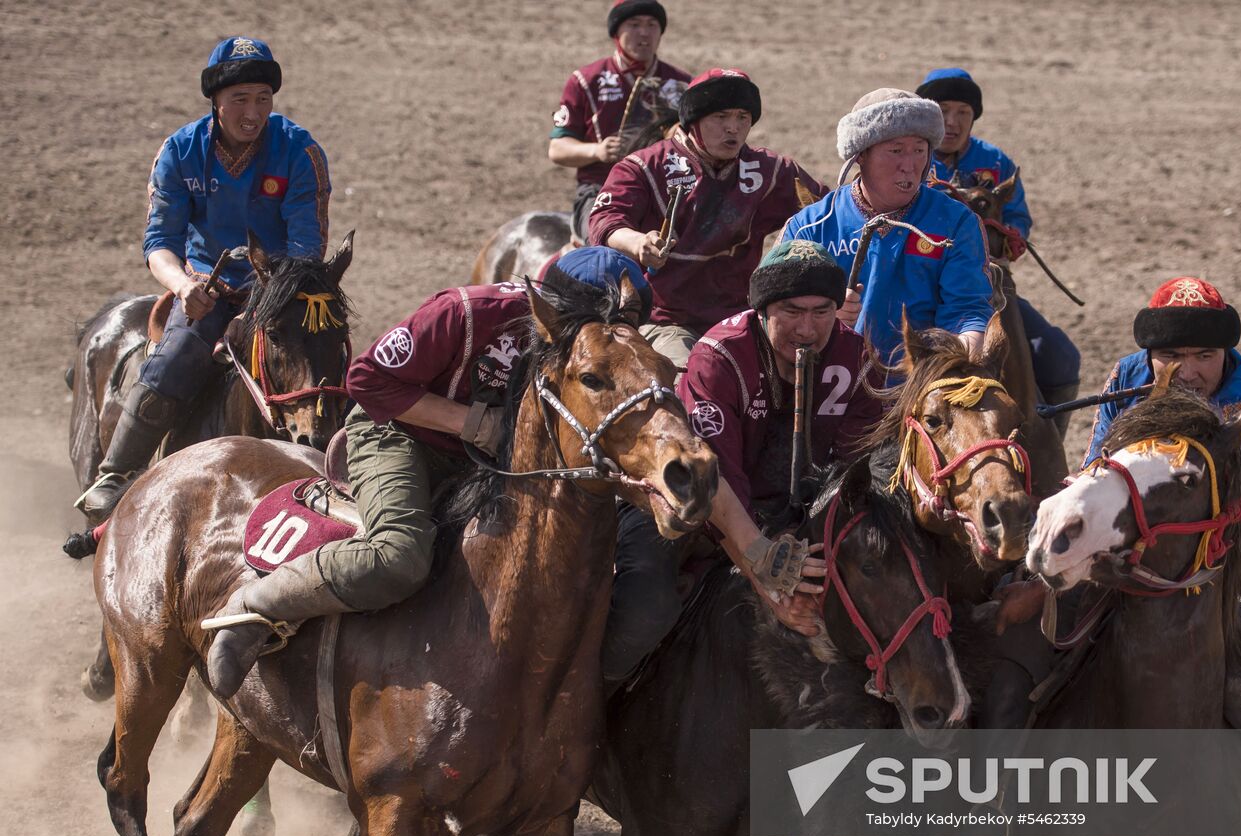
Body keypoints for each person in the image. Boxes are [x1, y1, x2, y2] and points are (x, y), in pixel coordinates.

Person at [204, 248, 653, 699]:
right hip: (398, 434)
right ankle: (255, 607)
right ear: (556, 312)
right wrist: (474, 424)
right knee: (399, 554)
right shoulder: (468, 312)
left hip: (488, 458)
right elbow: (367, 379)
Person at [1085, 276, 1241, 823]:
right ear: (1148, 354)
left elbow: (1225, 522)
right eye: (1170, 356)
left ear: (1225, 353)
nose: (1187, 372)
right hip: (1157, 539)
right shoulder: (1125, 377)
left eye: (1204, 356)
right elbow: (1097, 466)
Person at [602, 240, 880, 686]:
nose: (807, 329)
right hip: (693, 503)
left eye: (822, 310)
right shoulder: (719, 357)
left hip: (792, 512)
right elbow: (713, 481)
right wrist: (767, 575)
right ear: (762, 310)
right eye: (792, 310)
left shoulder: (857, 357)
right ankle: (601, 703)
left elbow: (856, 468)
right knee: (644, 609)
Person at [77, 37, 332, 521]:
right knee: (179, 354)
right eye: (240, 99)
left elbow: (308, 247)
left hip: (276, 292)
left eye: (262, 98)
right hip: (203, 290)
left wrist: (273, 294)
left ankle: (346, 466)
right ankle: (116, 472)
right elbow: (158, 242)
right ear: (215, 100)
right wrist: (183, 286)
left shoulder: (301, 152)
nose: (252, 112)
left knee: (326, 357)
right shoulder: (179, 151)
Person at [588, 68, 827, 367]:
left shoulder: (771, 170)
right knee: (685, 387)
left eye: (742, 117)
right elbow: (603, 220)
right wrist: (640, 244)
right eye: (721, 117)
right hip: (668, 322)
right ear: (693, 121)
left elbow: (825, 213)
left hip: (742, 319)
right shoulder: (645, 166)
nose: (733, 128)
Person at [781, 89, 992, 377]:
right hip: (827, 393)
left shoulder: (956, 224)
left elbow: (967, 313)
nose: (910, 165)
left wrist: (957, 358)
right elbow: (774, 320)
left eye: (919, 150)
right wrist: (823, 321)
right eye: (895, 150)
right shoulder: (810, 228)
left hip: (923, 396)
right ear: (860, 156)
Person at [916, 67, 1081, 418]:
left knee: (1060, 355)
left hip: (989, 288)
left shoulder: (996, 161)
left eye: (963, 112)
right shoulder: (910, 157)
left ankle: (1045, 443)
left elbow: (1018, 217)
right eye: (943, 111)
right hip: (921, 286)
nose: (953, 121)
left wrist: (1011, 238)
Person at [548, 0, 689, 244]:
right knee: (606, 248)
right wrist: (597, 150)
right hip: (600, 190)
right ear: (616, 32)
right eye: (634, 24)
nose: (644, 32)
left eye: (652, 25)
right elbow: (557, 149)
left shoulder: (682, 84)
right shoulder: (586, 80)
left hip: (666, 192)